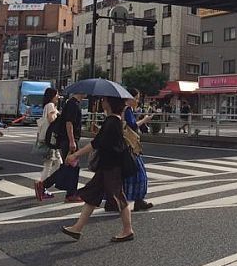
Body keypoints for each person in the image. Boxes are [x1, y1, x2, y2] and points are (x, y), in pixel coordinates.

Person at [61, 96, 134, 242]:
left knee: (118, 196)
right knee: (92, 195)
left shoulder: (112, 121)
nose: (102, 102)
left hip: (111, 166)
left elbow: (96, 143)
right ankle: (77, 228)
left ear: (109, 103)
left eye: (104, 100)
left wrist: (75, 155)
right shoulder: (113, 120)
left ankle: (127, 230)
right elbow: (101, 141)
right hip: (107, 165)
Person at [106, 88, 154, 213]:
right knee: (137, 173)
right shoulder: (126, 109)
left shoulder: (123, 109)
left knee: (123, 174)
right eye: (136, 98)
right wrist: (145, 120)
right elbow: (132, 126)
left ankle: (122, 201)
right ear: (130, 98)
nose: (137, 101)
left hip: (123, 145)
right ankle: (133, 201)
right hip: (129, 146)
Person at [36, 92, 86, 202]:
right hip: (69, 141)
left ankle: (45, 185)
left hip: (67, 140)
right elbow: (69, 123)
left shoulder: (72, 103)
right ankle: (70, 194)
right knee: (72, 167)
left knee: (69, 166)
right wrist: (72, 141)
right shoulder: (73, 104)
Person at [35, 87, 61, 200]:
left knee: (57, 163)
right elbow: (51, 120)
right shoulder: (50, 105)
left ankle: (43, 185)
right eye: (57, 94)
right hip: (50, 139)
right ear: (52, 96)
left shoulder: (49, 106)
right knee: (49, 164)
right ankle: (42, 186)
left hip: (50, 139)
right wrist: (59, 117)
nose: (58, 97)